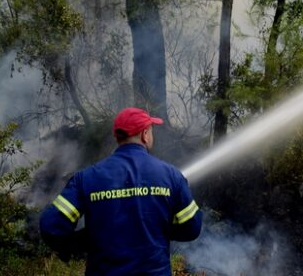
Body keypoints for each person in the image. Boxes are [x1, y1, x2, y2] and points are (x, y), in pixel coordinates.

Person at [39, 107, 202, 275]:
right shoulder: (171, 176)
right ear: (145, 135)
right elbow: (192, 228)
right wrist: (159, 229)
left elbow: (50, 226)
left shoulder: (86, 178)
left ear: (118, 137)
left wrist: (82, 242)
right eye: (151, 131)